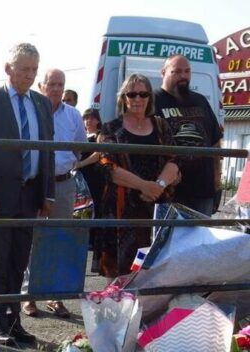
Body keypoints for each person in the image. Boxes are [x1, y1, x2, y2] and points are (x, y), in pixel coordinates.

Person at [0, 43, 55, 348]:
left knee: (19, 260)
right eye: (24, 69)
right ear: (8, 69)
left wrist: (48, 194)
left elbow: (48, 150)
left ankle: (14, 319)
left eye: (34, 69)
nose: (30, 75)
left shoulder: (41, 104)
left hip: (30, 194)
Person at [96, 74, 180, 279]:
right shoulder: (111, 128)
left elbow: (175, 161)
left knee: (155, 273)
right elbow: (108, 167)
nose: (137, 99)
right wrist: (145, 186)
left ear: (150, 97)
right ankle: (120, 311)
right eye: (132, 94)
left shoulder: (161, 126)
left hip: (156, 208)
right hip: (121, 211)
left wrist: (158, 186)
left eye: (143, 94)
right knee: (120, 278)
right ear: (123, 98)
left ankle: (148, 311)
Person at [22, 69, 86, 319]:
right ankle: (28, 296)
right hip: (35, 183)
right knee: (32, 241)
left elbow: (80, 147)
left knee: (59, 240)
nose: (57, 88)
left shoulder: (73, 115)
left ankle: (54, 296)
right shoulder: (32, 110)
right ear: (41, 85)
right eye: (52, 84)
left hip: (63, 184)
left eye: (61, 84)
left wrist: (70, 167)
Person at [154, 55, 223, 216]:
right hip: (169, 189)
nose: (183, 76)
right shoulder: (153, 100)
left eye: (187, 71)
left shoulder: (200, 101)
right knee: (166, 238)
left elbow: (215, 141)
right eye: (177, 71)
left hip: (202, 188)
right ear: (163, 72)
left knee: (201, 239)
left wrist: (217, 178)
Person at [77, 108, 105, 273]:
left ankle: (93, 239)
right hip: (80, 177)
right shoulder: (80, 135)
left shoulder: (99, 135)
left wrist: (81, 164)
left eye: (92, 118)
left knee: (95, 205)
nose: (88, 121)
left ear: (97, 120)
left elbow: (98, 154)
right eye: (86, 118)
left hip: (94, 176)